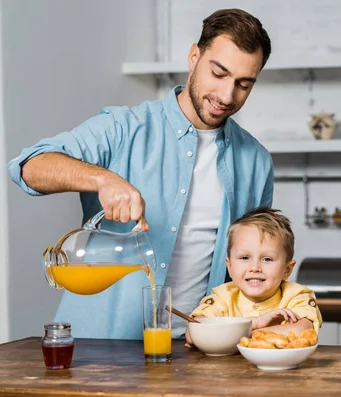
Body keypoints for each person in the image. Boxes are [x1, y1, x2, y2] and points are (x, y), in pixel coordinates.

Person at [7, 8, 274, 340]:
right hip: (101, 350)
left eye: (243, 85)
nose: (226, 95)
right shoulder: (123, 128)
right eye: (218, 73)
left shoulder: (257, 162)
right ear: (194, 57)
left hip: (199, 350)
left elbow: (257, 267)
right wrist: (102, 179)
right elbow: (28, 166)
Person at [185, 207, 323, 347]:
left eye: (267, 259)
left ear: (287, 270)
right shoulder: (223, 296)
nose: (255, 268)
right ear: (230, 267)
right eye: (245, 257)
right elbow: (193, 333)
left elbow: (302, 330)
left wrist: (235, 336)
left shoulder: (298, 296)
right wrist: (254, 323)